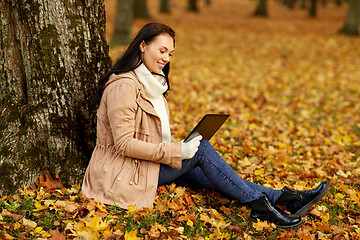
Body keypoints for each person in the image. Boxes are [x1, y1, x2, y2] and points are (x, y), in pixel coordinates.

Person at [81, 22, 330, 230]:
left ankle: (285, 198)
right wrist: (177, 151)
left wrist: (176, 150)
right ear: (143, 45)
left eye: (170, 54)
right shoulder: (125, 86)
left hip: (142, 165)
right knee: (200, 150)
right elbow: (123, 144)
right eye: (162, 51)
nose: (166, 59)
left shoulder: (151, 83)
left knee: (209, 167)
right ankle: (260, 206)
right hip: (121, 174)